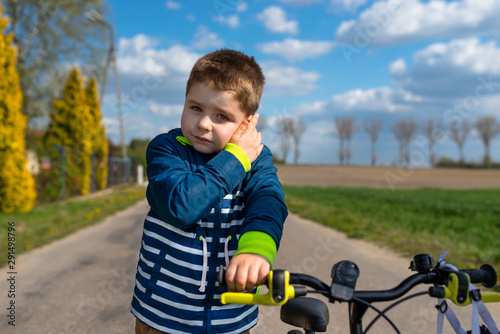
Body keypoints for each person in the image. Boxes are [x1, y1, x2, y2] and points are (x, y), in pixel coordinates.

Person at [131, 49, 288, 334]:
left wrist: (256, 251)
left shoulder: (258, 160)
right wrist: (237, 157)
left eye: (221, 116)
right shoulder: (167, 149)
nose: (203, 123)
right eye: (195, 108)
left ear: (248, 123)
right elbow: (182, 206)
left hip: (231, 319)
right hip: (162, 318)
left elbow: (269, 199)